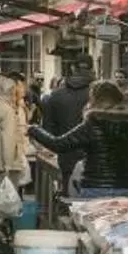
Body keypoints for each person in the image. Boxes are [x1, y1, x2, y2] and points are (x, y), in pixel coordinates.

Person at [32, 81, 128, 200]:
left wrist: (33, 129)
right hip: (126, 188)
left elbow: (59, 144)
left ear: (95, 100)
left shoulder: (92, 123)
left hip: (95, 188)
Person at [37, 63, 94, 191]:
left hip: (65, 151)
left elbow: (48, 126)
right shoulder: (94, 96)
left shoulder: (56, 96)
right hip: (91, 154)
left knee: (67, 187)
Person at [0, 71, 30, 205]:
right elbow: (8, 140)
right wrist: (8, 165)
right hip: (6, 165)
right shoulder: (7, 110)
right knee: (7, 204)